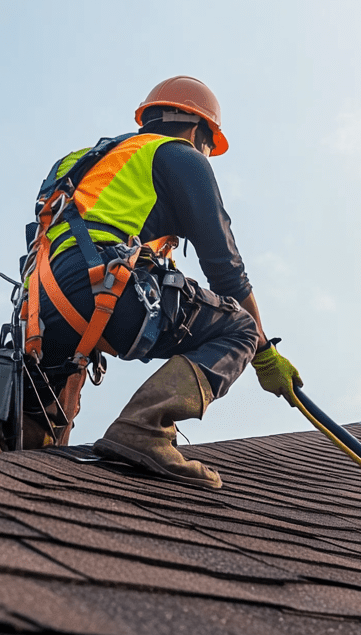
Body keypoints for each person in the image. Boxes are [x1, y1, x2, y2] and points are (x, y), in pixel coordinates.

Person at [23, 75, 301, 489]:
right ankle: (144, 428)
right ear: (196, 129)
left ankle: (18, 448)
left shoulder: (85, 161)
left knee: (41, 427)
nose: (206, 153)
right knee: (239, 327)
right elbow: (225, 268)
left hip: (41, 305)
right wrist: (262, 353)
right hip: (103, 288)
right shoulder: (180, 156)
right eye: (207, 145)